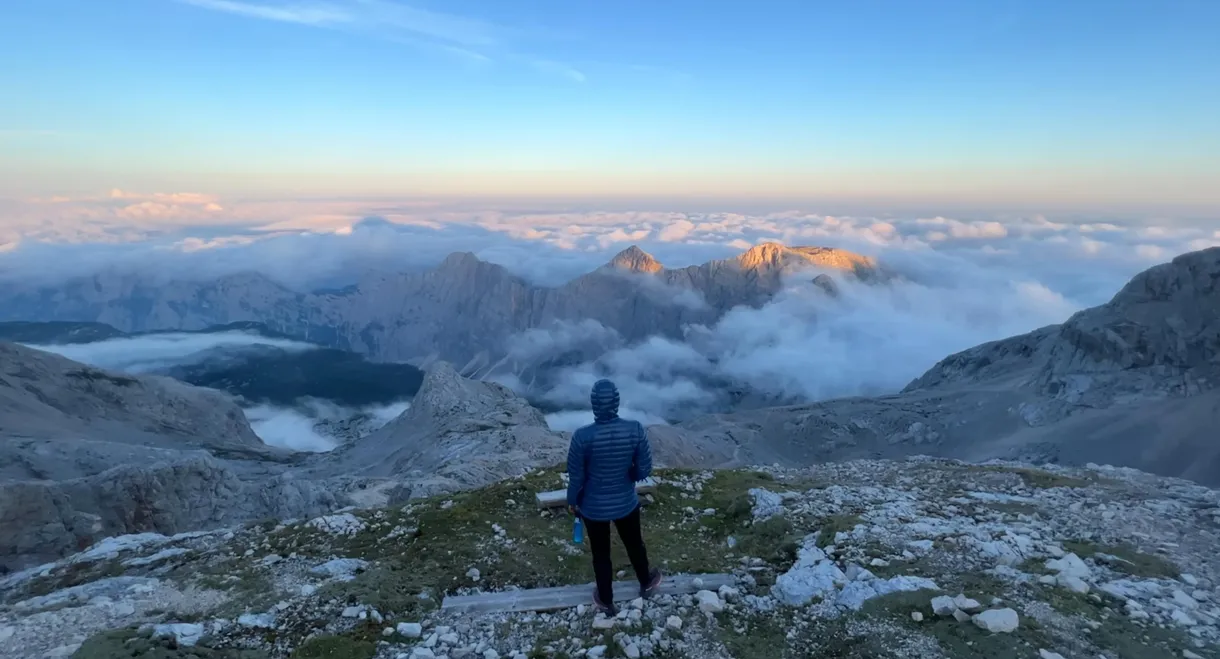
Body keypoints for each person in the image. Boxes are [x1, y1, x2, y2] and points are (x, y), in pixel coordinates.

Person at [566, 378, 662, 615]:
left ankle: (606, 600)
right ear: (617, 402)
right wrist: (627, 477)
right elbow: (644, 469)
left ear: (593, 404)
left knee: (601, 554)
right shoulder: (635, 429)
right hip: (625, 502)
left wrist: (572, 501)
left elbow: (576, 477)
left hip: (593, 506)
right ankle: (646, 582)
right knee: (634, 543)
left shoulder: (582, 436)